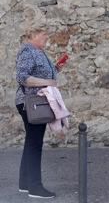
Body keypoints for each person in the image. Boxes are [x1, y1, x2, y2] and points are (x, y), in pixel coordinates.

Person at [15, 27, 67, 199]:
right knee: (35, 144)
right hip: (31, 103)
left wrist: (56, 68)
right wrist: (48, 82)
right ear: (33, 35)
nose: (47, 37)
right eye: (43, 34)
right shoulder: (28, 51)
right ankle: (35, 188)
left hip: (35, 102)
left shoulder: (39, 51)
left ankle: (24, 183)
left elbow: (41, 72)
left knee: (31, 141)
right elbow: (23, 77)